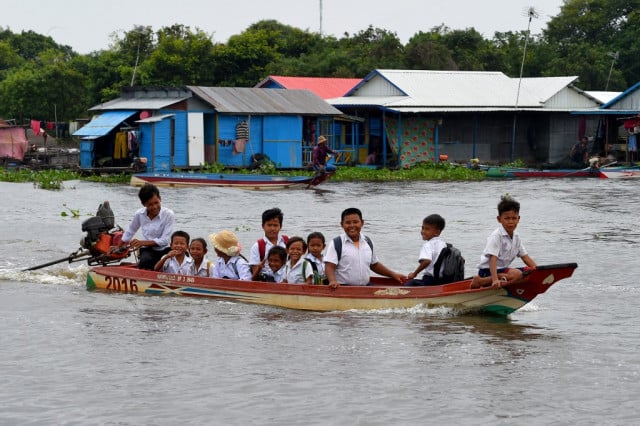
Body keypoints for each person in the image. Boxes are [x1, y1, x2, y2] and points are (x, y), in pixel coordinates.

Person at [324, 207, 406, 288]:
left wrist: (393, 274)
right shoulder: (336, 243)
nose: (352, 226)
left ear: (362, 223)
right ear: (342, 224)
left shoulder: (368, 242)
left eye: (355, 222)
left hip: (365, 286)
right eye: (348, 223)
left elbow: (374, 265)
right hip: (343, 288)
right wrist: (332, 281)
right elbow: (329, 266)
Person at [470, 195, 537, 289]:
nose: (511, 222)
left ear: (518, 219)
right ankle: (481, 281)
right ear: (499, 219)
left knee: (530, 271)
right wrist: (494, 280)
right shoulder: (497, 235)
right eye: (507, 218)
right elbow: (492, 259)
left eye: (514, 218)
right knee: (517, 274)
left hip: (502, 271)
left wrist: (538, 271)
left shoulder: (516, 237)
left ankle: (501, 279)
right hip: (488, 271)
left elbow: (525, 257)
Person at [121, 183, 175, 270]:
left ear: (160, 198)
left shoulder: (169, 214)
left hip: (165, 249)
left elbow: (165, 240)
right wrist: (119, 246)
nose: (154, 207)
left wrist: (142, 243)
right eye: (150, 205)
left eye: (156, 202)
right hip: (148, 250)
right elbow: (130, 231)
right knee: (145, 261)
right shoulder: (139, 214)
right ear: (143, 204)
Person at [405, 214, 448, 286]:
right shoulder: (444, 244)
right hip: (442, 280)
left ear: (437, 232)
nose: (423, 231)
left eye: (427, 229)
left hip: (430, 280)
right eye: (422, 228)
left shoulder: (428, 245)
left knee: (410, 283)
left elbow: (426, 261)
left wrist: (414, 273)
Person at [249, 208, 288, 279]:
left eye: (275, 225)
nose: (272, 228)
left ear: (281, 226)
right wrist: (259, 268)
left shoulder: (287, 242)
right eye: (269, 225)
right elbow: (254, 274)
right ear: (263, 226)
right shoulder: (257, 246)